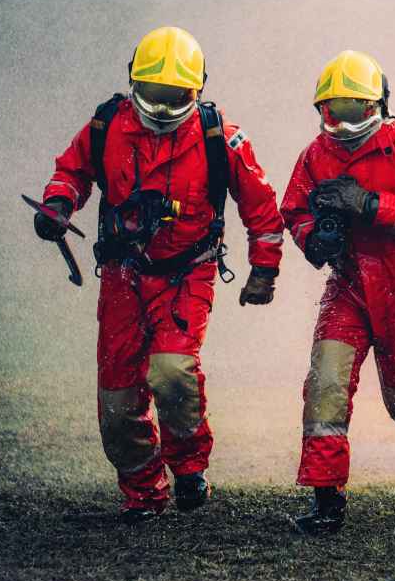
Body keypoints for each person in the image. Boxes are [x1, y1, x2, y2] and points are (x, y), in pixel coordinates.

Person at [34, 26, 283, 523]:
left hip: (188, 272)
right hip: (122, 274)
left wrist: (264, 270)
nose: (164, 108)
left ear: (198, 90)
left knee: (172, 370)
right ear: (133, 82)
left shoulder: (220, 138)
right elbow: (72, 172)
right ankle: (143, 492)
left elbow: (261, 206)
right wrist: (57, 205)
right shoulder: (106, 126)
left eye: (176, 97)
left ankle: (189, 468)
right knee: (117, 396)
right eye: (153, 94)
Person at [280, 50, 395, 534]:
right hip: (349, 286)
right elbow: (294, 209)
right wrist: (314, 238)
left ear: (377, 104)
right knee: (326, 382)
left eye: (353, 109)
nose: (342, 122)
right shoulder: (315, 155)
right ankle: (326, 498)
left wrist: (369, 204)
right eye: (332, 110)